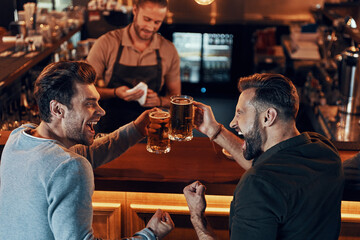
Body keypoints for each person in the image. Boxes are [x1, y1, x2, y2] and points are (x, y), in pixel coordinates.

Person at [0, 61, 174, 240]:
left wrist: (136, 129)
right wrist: (149, 234)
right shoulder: (69, 166)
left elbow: (81, 155)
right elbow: (71, 164)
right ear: (58, 109)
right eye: (89, 104)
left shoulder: (19, 137)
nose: (101, 111)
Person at [183, 73, 344, 239]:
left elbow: (263, 180)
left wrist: (197, 217)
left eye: (240, 113)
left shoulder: (256, 186)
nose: (232, 123)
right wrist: (213, 130)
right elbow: (266, 167)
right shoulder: (325, 150)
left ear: (268, 117)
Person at [86, 0, 181, 133]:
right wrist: (115, 92)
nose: (150, 27)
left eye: (157, 22)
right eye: (147, 19)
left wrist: (159, 100)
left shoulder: (168, 49)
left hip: (151, 130)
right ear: (135, 11)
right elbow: (84, 89)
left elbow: (176, 98)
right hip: (111, 130)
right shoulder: (106, 43)